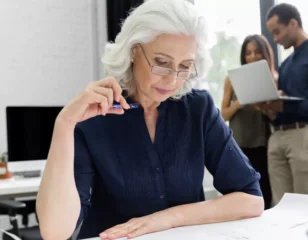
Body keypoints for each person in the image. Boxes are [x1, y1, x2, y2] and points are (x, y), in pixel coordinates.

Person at [36, 0, 264, 239]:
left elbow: (251, 199)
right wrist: (64, 124)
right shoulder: (95, 114)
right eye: (162, 63)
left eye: (185, 66)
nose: (173, 80)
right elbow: (55, 232)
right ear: (134, 50)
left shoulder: (198, 108)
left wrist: (166, 218)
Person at [261, 3, 308, 205]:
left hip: (307, 136)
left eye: (277, 32)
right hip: (279, 136)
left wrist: (287, 107)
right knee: (279, 208)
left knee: (307, 207)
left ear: (293, 23)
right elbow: (284, 105)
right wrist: (270, 108)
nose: (275, 39)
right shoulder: (286, 64)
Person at [221, 34, 277, 210]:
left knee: (265, 195)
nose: (252, 56)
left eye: (257, 52)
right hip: (239, 145)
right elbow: (223, 115)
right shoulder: (232, 79)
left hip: (263, 145)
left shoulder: (273, 77)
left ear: (265, 54)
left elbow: (276, 114)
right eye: (248, 53)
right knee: (241, 194)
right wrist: (239, 103)